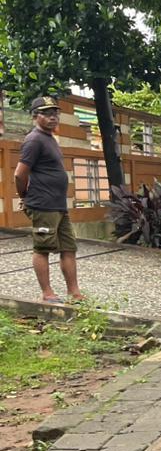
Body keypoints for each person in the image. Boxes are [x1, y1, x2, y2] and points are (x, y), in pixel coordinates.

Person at [14, 96, 82, 303]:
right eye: (47, 113)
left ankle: (75, 293)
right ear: (36, 116)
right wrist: (24, 196)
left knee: (69, 248)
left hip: (58, 205)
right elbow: (19, 174)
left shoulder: (50, 139)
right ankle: (48, 293)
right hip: (43, 204)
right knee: (42, 248)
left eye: (55, 113)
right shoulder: (34, 140)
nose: (53, 117)